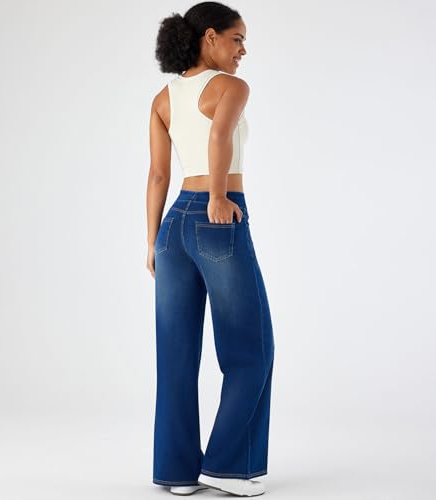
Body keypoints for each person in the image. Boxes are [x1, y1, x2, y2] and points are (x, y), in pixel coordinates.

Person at [146, 2, 275, 496]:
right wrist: (220, 196)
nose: (243, 51)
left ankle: (177, 473)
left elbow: (158, 175)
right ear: (210, 38)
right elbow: (220, 135)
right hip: (218, 215)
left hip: (174, 225)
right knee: (250, 348)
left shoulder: (163, 98)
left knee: (176, 355)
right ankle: (229, 467)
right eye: (237, 39)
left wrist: (152, 241)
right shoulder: (231, 87)